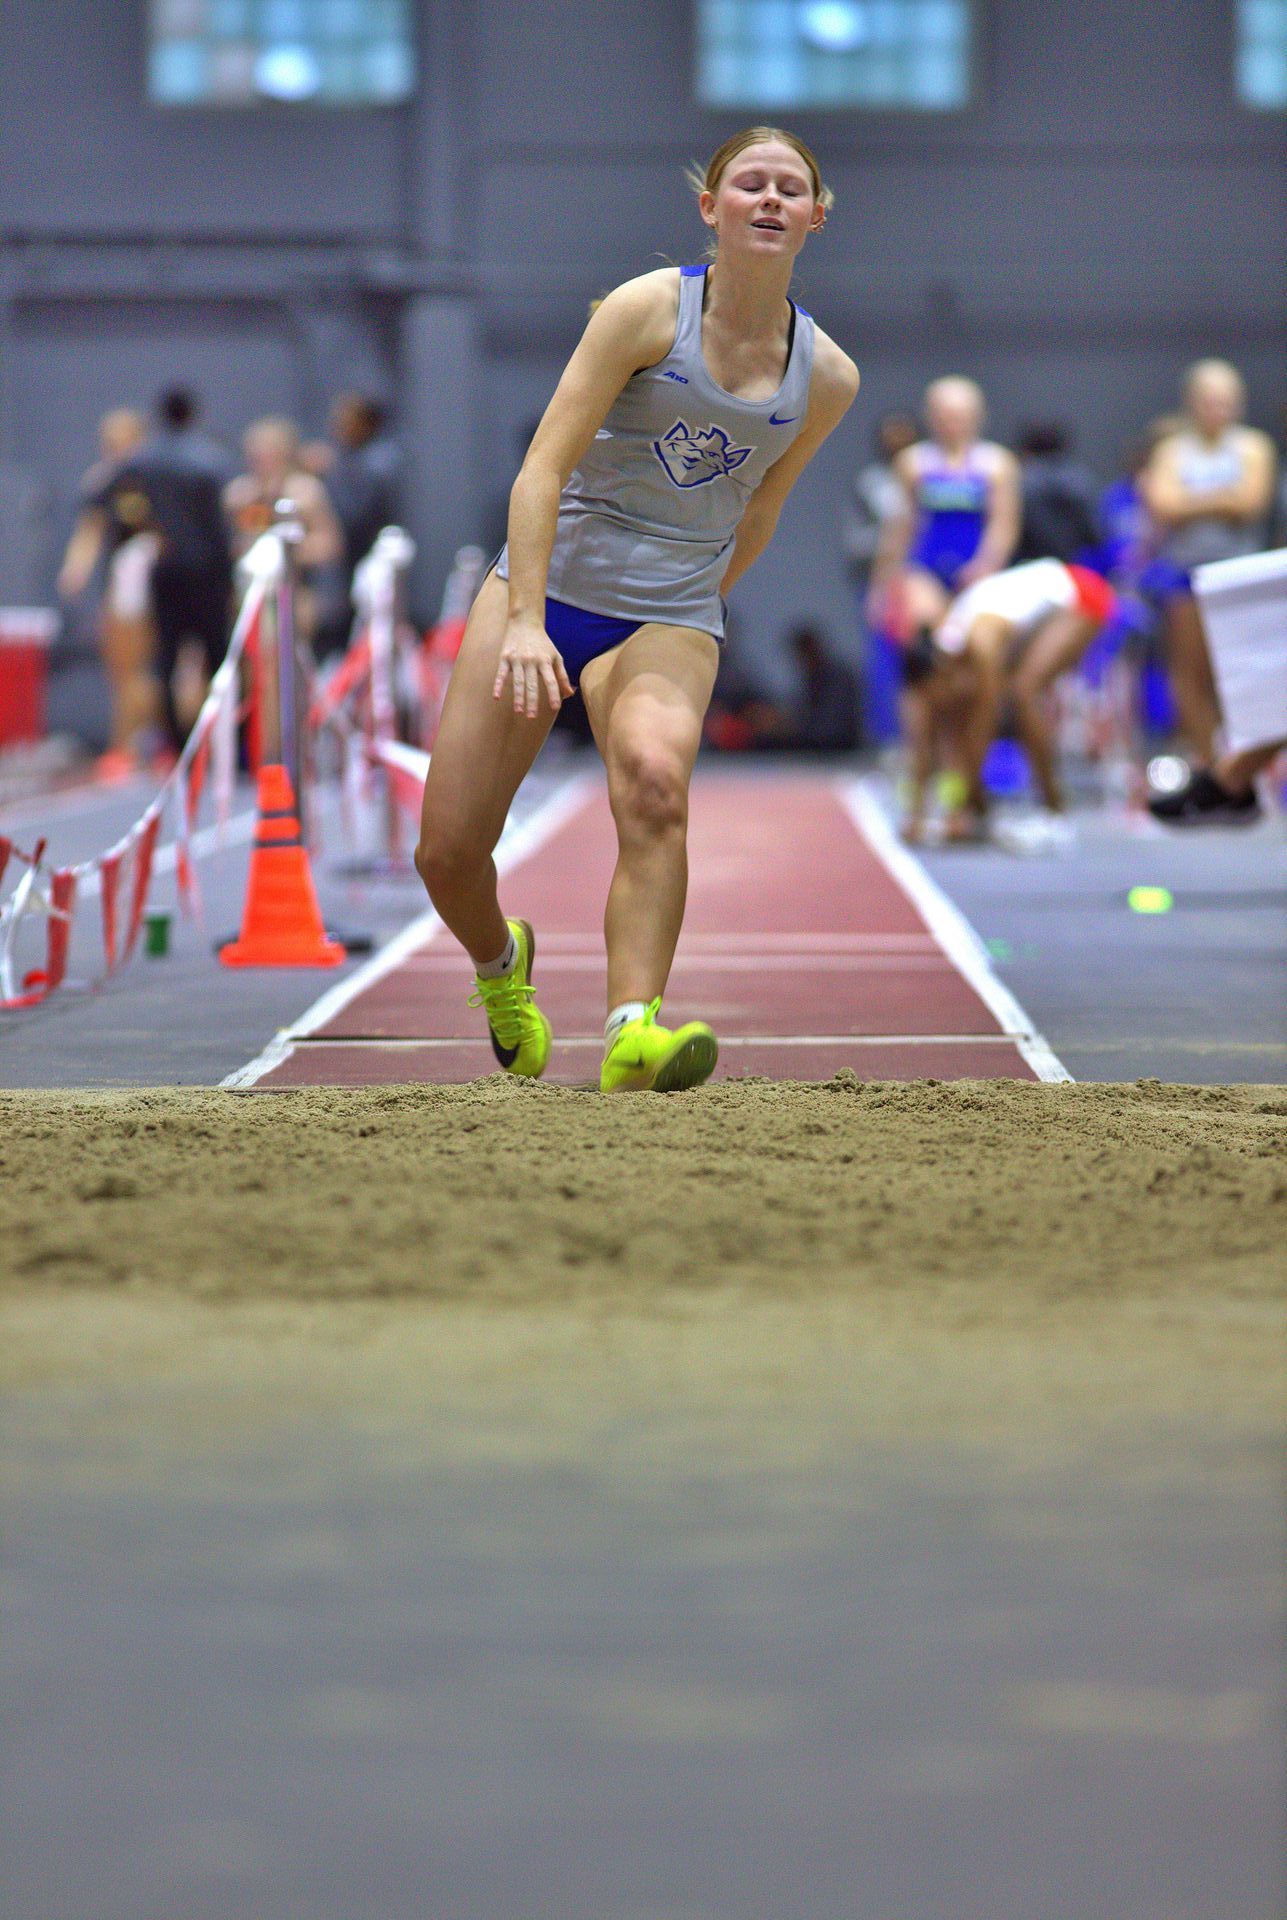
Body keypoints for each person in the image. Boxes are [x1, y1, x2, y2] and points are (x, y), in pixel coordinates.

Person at [414, 126, 859, 1093]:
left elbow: (763, 510)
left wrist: (694, 609)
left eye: (792, 189)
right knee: (447, 854)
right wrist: (527, 620)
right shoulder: (646, 310)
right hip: (545, 589)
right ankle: (502, 968)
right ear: (712, 208)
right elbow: (542, 469)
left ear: (817, 217)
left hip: (667, 612)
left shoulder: (825, 377)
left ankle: (631, 1031)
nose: (770, 199)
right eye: (751, 184)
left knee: (656, 783)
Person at [898, 557, 1117, 850]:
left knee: (1024, 692)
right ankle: (979, 812)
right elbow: (930, 740)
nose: (942, 706)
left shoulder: (981, 642)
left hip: (1082, 592)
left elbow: (981, 729)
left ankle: (1055, 811)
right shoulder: (946, 654)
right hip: (1049, 605)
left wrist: (954, 807)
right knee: (996, 702)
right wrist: (916, 812)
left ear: (944, 674)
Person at [1139, 360, 1277, 764]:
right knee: (1190, 672)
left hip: (1239, 574)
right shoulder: (1171, 450)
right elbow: (1162, 505)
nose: (1217, 410)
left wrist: (1191, 501)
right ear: (1191, 403)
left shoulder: (1253, 446)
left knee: (1242, 674)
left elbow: (1251, 502)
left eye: (1225, 402)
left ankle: (1247, 764)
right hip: (1186, 574)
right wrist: (1223, 498)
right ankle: (1210, 764)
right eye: (1208, 401)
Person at [88, 388, 235, 753]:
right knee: (217, 656)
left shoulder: (144, 460)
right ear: (192, 414)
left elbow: (97, 494)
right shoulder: (210, 460)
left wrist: (145, 520)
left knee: (166, 659)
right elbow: (222, 522)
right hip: (207, 570)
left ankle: (176, 744)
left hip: (166, 568)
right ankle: (223, 742)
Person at [870, 375, 1020, 641]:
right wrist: (881, 585)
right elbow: (898, 527)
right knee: (925, 640)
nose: (952, 423)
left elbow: (1004, 526)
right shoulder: (912, 462)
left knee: (976, 642)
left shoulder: (997, 463)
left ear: (977, 416)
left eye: (960, 415)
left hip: (978, 569)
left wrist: (985, 566)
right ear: (930, 416)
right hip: (923, 568)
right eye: (944, 414)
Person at [57, 407, 162, 777]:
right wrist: (76, 567)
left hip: (154, 575)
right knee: (123, 664)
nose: (117, 450)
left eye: (125, 443)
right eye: (111, 444)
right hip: (124, 580)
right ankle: (129, 743)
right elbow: (90, 529)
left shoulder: (156, 476)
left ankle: (156, 740)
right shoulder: (103, 480)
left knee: (157, 665)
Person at [224, 416, 344, 650]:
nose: (259, 459)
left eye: (267, 452)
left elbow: (330, 544)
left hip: (293, 592)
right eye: (254, 453)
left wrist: (285, 551)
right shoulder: (241, 493)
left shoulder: (305, 492)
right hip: (248, 594)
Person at [842, 410, 918, 741]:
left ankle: (927, 743)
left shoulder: (927, 474)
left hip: (923, 579)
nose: (897, 445)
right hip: (882, 582)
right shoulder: (871, 482)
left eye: (903, 438)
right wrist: (887, 551)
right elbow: (856, 540)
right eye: (890, 438)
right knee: (884, 662)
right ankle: (888, 740)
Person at [311, 393, 403, 654]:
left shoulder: (374, 463)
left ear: (364, 423)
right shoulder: (364, 458)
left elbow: (352, 516)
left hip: (362, 561)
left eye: (344, 420)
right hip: (356, 562)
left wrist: (327, 475)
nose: (336, 426)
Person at [1012, 421, 1100, 565]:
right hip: (1075, 566)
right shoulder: (1080, 480)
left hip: (1028, 565)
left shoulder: (1021, 481)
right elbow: (1094, 532)